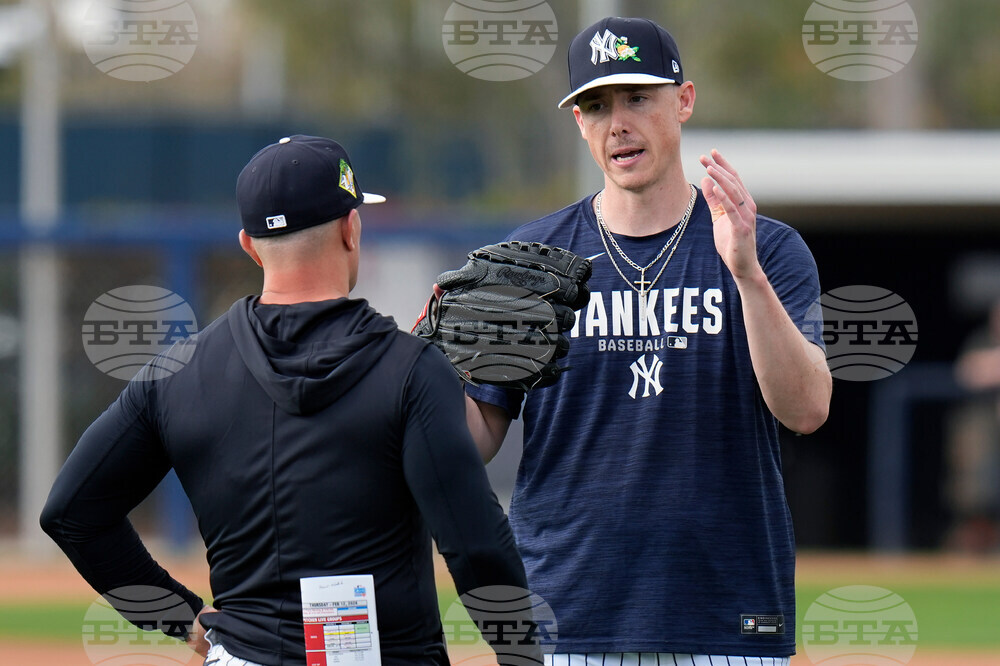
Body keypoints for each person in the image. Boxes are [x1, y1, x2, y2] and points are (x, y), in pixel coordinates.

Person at [41, 135, 531, 666]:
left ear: (248, 246)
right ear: (351, 228)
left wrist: (178, 616)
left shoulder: (177, 371)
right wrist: (523, 655)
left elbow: (71, 514)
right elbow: (476, 548)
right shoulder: (410, 368)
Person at [462, 17, 833, 665]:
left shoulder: (767, 247)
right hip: (567, 616)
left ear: (683, 101)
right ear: (578, 121)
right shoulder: (530, 262)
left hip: (727, 616)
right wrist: (424, 375)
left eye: (637, 98)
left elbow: (806, 408)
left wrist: (745, 275)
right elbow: (475, 437)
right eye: (596, 105)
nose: (617, 123)